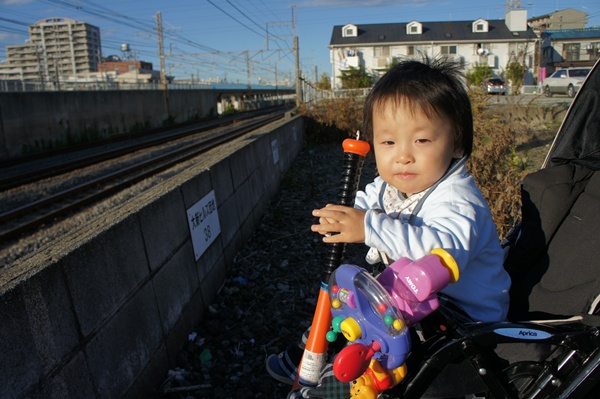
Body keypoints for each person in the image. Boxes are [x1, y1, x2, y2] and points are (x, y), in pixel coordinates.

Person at [267, 57, 511, 396]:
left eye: (422, 141)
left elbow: (441, 253)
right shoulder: (395, 184)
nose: (403, 156)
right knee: (349, 297)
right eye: (388, 142)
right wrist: (347, 214)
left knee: (371, 323)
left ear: (456, 142)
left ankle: (339, 378)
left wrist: (368, 227)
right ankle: (316, 349)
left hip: (462, 318)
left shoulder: (458, 199)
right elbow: (369, 199)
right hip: (414, 300)